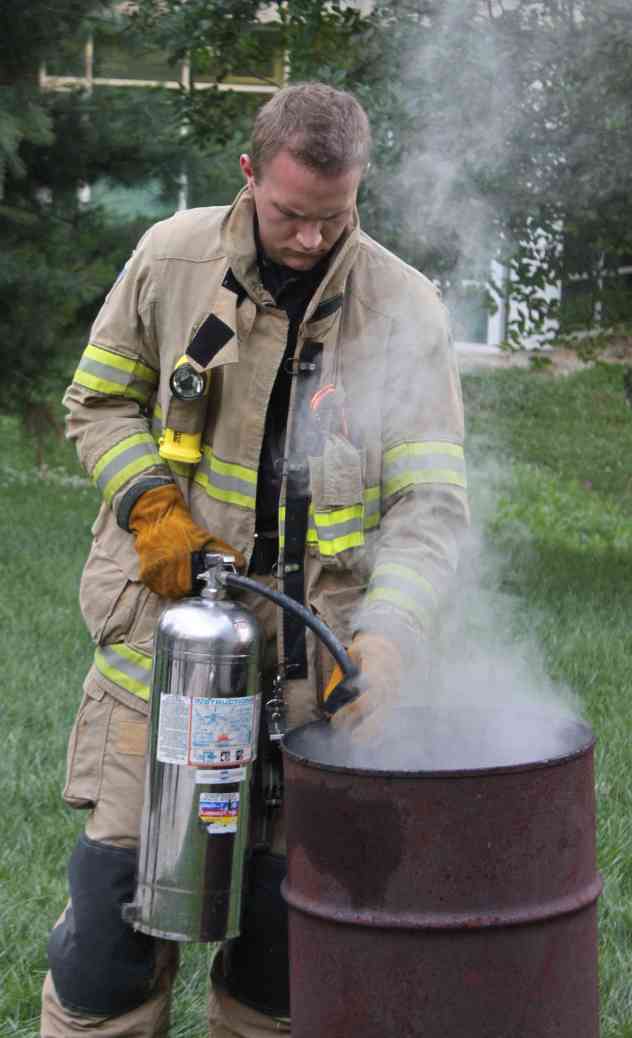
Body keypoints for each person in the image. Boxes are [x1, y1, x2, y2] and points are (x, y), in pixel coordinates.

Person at [40, 82, 468, 1037]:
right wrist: (152, 505)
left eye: (334, 217)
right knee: (108, 952)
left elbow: (428, 503)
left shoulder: (403, 307)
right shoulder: (170, 258)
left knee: (282, 968)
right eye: (289, 215)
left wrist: (389, 639)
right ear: (248, 173)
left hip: (312, 697)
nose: (311, 240)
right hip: (159, 669)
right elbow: (99, 400)